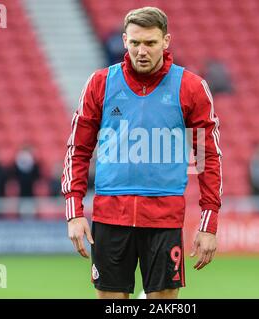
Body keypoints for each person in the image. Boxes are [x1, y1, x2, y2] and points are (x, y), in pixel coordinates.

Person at [62, 7, 222, 299]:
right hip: (110, 218)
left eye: (149, 42)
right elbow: (77, 150)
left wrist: (208, 222)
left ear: (166, 41)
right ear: (124, 41)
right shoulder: (100, 83)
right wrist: (74, 212)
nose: (141, 50)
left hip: (164, 219)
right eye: (135, 43)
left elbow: (208, 158)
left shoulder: (191, 88)